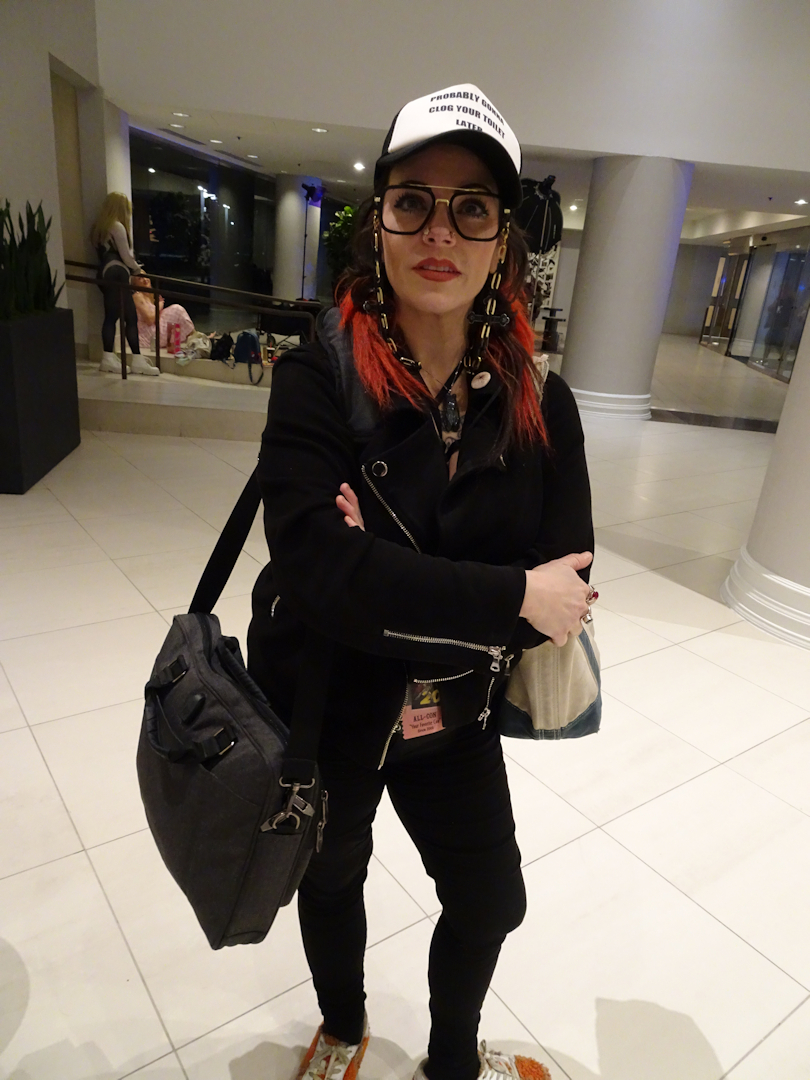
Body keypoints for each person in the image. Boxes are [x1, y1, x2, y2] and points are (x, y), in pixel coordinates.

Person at [247, 83, 594, 1080]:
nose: (440, 231)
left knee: (491, 899)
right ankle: (343, 1025)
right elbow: (317, 570)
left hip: (454, 710)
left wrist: (380, 576)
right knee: (331, 876)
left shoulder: (541, 401)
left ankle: (451, 1062)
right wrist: (504, 592)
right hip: (328, 704)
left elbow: (565, 596)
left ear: (502, 240)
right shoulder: (317, 376)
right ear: (381, 220)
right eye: (413, 202)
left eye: (471, 207)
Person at [90, 193, 159, 375]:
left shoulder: (99, 228)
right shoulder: (117, 226)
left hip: (104, 272)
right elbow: (126, 256)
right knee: (129, 318)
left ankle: (111, 357)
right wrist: (137, 269)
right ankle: (131, 359)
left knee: (112, 315)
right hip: (118, 272)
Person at [131, 275, 195, 352]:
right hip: (149, 335)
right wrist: (160, 305)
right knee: (177, 310)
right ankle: (196, 338)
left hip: (155, 330)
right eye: (140, 278)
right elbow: (150, 319)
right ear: (135, 284)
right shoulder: (137, 295)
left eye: (145, 276)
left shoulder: (149, 296)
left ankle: (190, 340)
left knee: (176, 318)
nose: (145, 279)